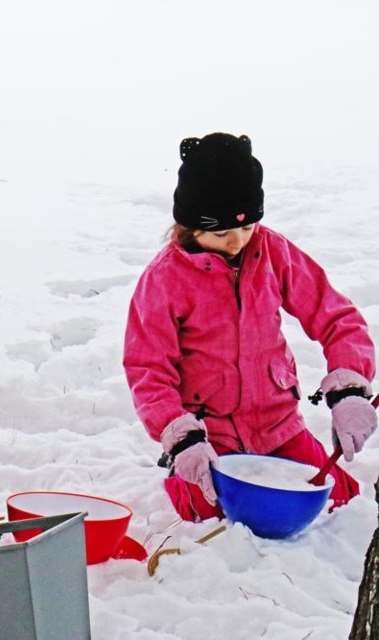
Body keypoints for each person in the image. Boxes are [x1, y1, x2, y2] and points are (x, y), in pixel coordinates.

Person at [123, 132, 376, 523]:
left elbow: (335, 315)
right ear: (189, 226)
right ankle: (182, 478)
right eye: (221, 233)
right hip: (212, 438)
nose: (238, 241)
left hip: (279, 428)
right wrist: (181, 437)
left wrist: (350, 388)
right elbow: (148, 368)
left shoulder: (272, 252)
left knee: (339, 503)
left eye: (247, 226)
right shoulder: (164, 279)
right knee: (212, 511)